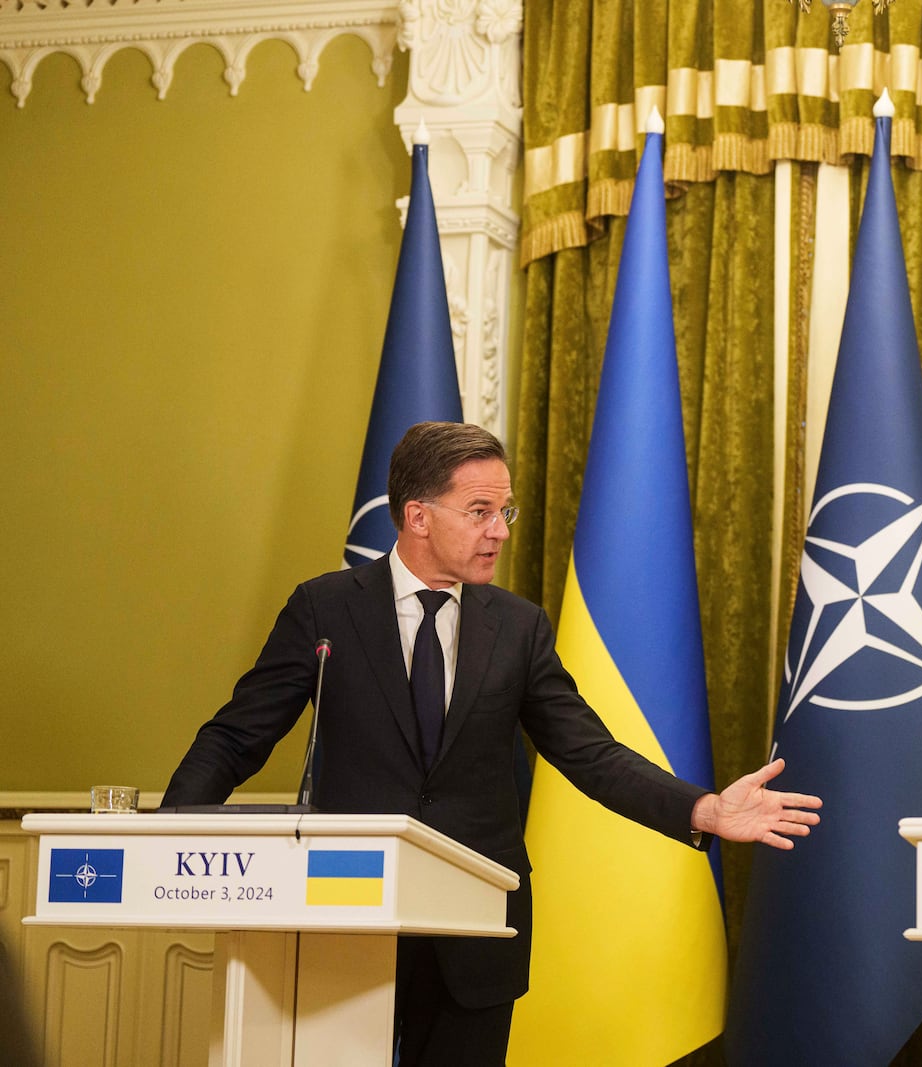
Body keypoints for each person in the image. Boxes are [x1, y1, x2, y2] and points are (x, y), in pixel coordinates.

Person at [164, 421, 821, 1067]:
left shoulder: (517, 626)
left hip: (474, 933)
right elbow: (236, 737)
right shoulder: (325, 609)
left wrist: (703, 809)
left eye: (504, 509)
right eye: (480, 511)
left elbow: (589, 751)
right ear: (418, 516)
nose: (501, 529)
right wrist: (170, 840)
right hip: (346, 919)